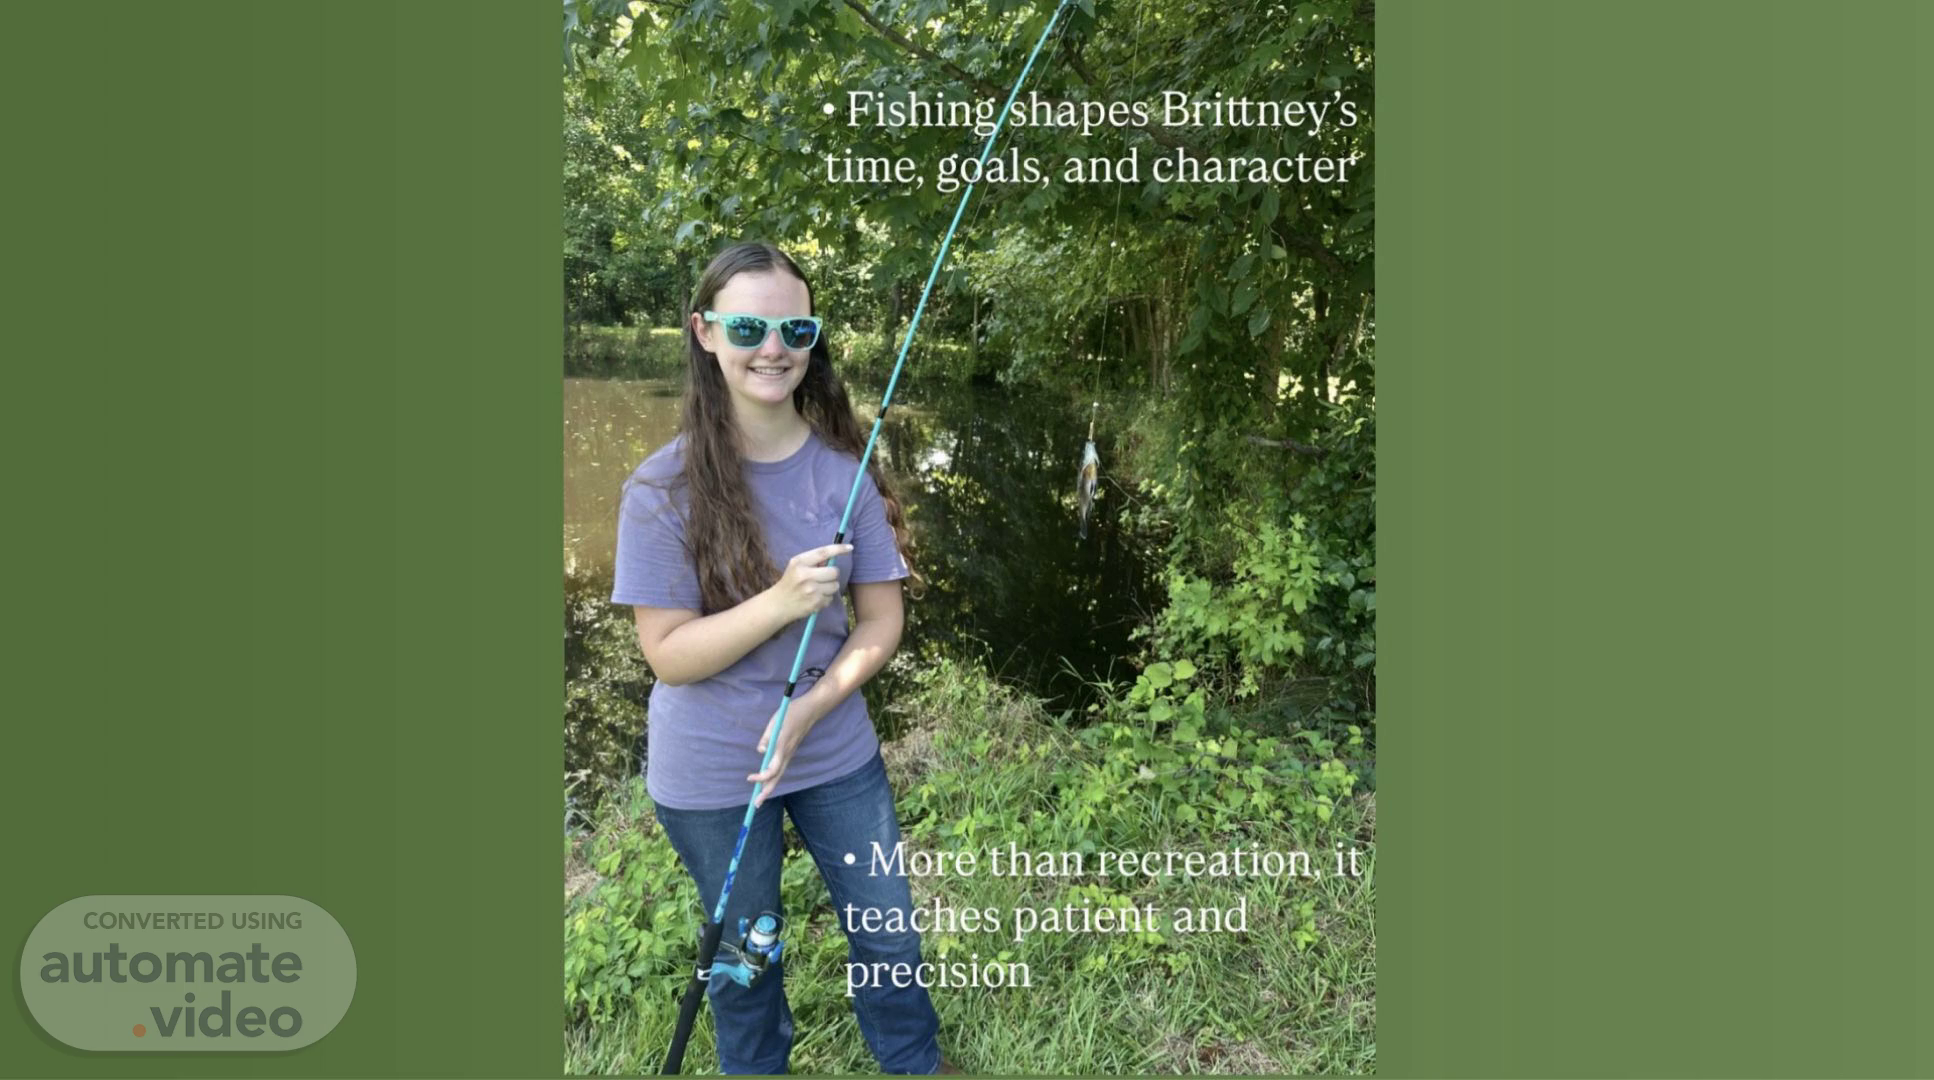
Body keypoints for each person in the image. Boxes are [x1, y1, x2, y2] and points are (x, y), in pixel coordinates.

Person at [611, 241, 955, 1075]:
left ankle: (915, 1061)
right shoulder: (660, 490)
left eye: (795, 329)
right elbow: (668, 656)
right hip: (713, 770)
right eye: (748, 327)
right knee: (747, 954)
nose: (774, 347)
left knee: (887, 928)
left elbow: (881, 622)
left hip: (833, 748)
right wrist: (780, 601)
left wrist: (810, 708)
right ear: (704, 332)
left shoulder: (847, 475)